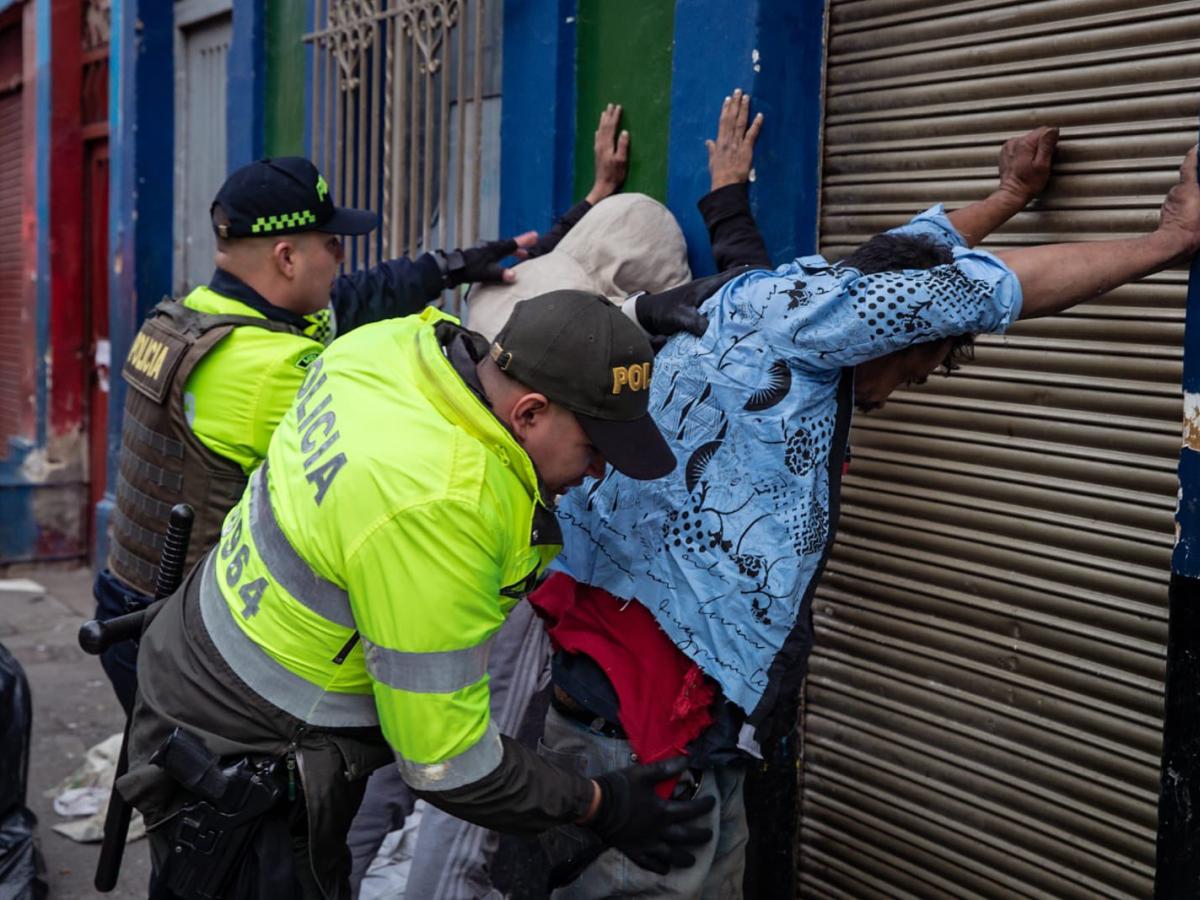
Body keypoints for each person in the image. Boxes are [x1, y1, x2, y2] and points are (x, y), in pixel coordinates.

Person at [536, 119, 1200, 898]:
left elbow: (886, 262)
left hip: (690, 722)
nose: (902, 387)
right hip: (637, 732)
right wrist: (1167, 244)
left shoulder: (771, 306)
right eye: (918, 366)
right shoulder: (815, 325)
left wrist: (1008, 196)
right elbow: (963, 292)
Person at [116, 274, 733, 898]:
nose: (600, 469)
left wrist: (621, 322)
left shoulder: (393, 345)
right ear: (530, 413)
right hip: (248, 740)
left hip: (194, 642)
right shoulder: (443, 506)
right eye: (594, 445)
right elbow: (448, 763)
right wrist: (600, 803)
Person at [94, 156, 535, 716]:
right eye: (332, 244)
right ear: (285, 257)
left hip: (130, 604)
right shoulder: (271, 368)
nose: (341, 259)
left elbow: (349, 300)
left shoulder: (193, 316)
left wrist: (449, 268)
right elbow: (412, 443)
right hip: (182, 639)